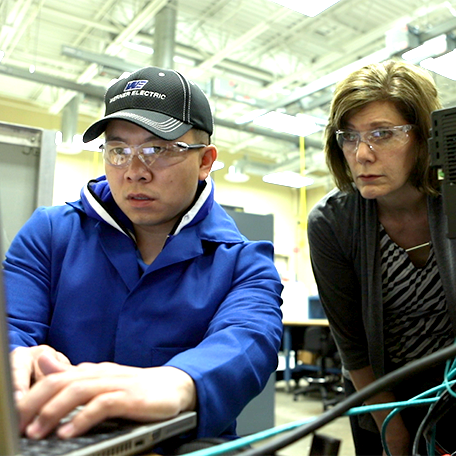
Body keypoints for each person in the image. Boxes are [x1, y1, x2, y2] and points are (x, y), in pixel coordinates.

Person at [5, 66, 283, 445]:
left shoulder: (243, 262)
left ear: (205, 161)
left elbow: (249, 339)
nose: (135, 172)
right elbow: (11, 323)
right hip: (54, 436)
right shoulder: (50, 233)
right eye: (119, 151)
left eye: (158, 150)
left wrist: (178, 383)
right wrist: (14, 358)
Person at [307, 60, 456, 456]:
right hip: (381, 396)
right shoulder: (333, 222)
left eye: (383, 134)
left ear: (423, 137)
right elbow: (353, 345)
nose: (362, 154)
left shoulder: (453, 200)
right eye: (349, 137)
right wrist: (392, 431)